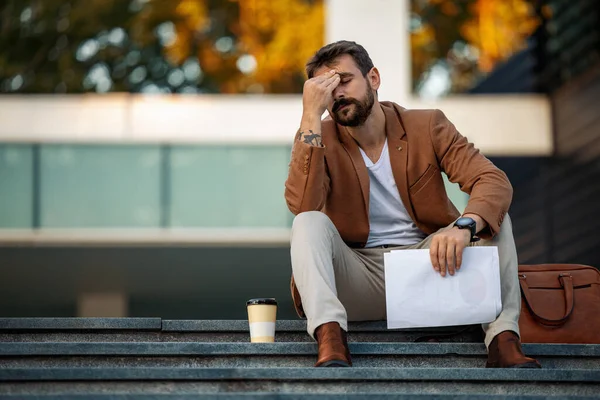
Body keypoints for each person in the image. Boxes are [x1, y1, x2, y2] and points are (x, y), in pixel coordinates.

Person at [284, 40, 541, 369]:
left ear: (373, 78)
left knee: (494, 220)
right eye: (326, 88)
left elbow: (492, 180)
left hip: (429, 267)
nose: (337, 94)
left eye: (344, 80)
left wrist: (465, 227)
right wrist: (310, 115)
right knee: (308, 223)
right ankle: (331, 340)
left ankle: (504, 342)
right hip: (358, 277)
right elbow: (302, 204)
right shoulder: (318, 136)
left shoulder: (426, 125)